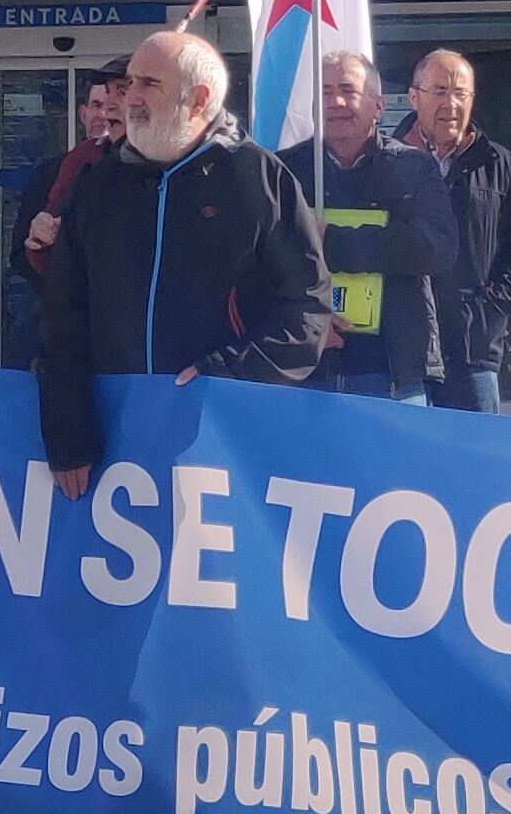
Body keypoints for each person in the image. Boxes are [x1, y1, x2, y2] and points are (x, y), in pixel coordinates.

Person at [36, 27, 336, 487]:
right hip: (113, 442)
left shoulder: (256, 178)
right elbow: (63, 318)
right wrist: (68, 436)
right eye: (128, 83)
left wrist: (226, 374)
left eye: (147, 84)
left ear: (198, 99)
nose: (128, 98)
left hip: (225, 441)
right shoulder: (99, 185)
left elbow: (307, 308)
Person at [301, 49, 456, 401]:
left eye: (348, 89)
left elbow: (437, 248)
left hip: (394, 371)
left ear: (379, 106)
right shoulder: (284, 171)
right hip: (307, 367)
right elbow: (262, 262)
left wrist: (331, 242)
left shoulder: (414, 168)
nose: (336, 101)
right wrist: (306, 323)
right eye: (324, 92)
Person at [407, 49, 511, 414]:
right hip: (399, 350)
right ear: (414, 96)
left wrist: (493, 304)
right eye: (439, 91)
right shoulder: (388, 159)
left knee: (475, 464)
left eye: (460, 93)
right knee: (403, 466)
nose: (450, 103)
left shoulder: (501, 165)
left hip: (472, 349)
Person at [2, 61, 131, 369]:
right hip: (67, 325)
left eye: (119, 96)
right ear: (83, 114)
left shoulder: (174, 167)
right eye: (98, 103)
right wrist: (58, 281)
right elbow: (24, 252)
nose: (106, 112)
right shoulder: (68, 166)